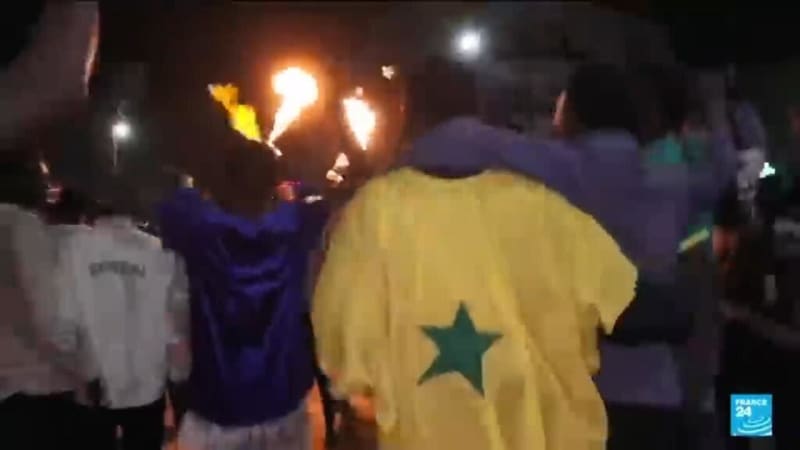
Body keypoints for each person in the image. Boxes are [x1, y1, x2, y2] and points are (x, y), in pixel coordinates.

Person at [312, 57, 638, 450]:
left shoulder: (373, 211)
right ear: (481, 107)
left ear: (406, 111)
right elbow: (630, 304)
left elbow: (341, 345)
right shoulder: (544, 202)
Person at [159, 116, 329, 450]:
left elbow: (177, 197)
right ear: (274, 184)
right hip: (283, 402)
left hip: (219, 404)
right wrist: (289, 188)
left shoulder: (199, 227)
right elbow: (321, 197)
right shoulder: (294, 225)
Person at [54, 201, 190, 450]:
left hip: (94, 382)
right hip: (147, 381)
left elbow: (65, 319)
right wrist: (177, 373)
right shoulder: (159, 250)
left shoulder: (73, 250)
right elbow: (176, 321)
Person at [0, 150, 83, 450]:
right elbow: (47, 316)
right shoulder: (22, 226)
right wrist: (80, 370)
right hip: (34, 388)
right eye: (41, 175)